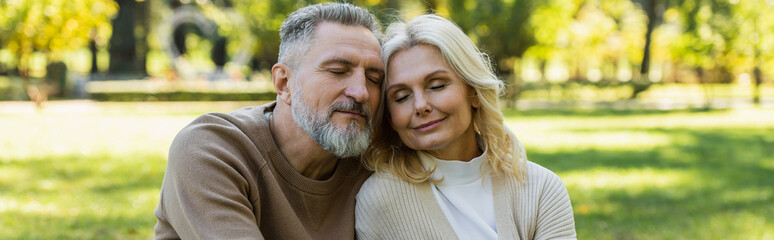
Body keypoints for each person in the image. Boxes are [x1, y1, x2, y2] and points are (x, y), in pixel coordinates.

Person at [153, 3, 385, 239]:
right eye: (337, 71)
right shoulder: (210, 150)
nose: (362, 92)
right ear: (284, 83)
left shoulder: (375, 165)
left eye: (374, 78)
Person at [355, 14, 576, 239]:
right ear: (390, 117)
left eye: (437, 86)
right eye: (402, 97)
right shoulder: (379, 201)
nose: (420, 106)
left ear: (474, 92)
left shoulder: (541, 190)